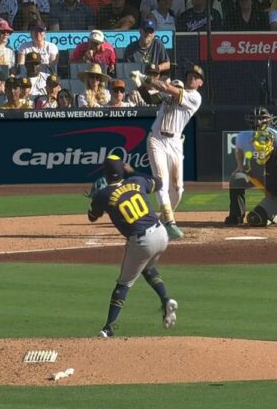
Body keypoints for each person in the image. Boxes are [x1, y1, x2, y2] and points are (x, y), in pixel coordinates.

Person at [87, 154, 178, 338]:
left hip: (141, 242)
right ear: (123, 170)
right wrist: (133, 172)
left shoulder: (104, 195)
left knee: (123, 285)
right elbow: (158, 183)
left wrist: (96, 198)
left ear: (105, 172)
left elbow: (92, 217)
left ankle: (108, 328)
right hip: (161, 233)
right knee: (147, 268)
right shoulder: (137, 181)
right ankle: (166, 300)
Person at [129, 64, 205, 239]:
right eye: (190, 75)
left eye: (196, 76)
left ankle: (162, 220)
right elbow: (150, 99)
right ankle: (170, 222)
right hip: (157, 139)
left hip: (175, 143)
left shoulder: (195, 98)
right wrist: (138, 84)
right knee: (161, 180)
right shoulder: (169, 96)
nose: (192, 78)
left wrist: (145, 77)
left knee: (178, 188)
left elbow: (165, 87)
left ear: (200, 82)